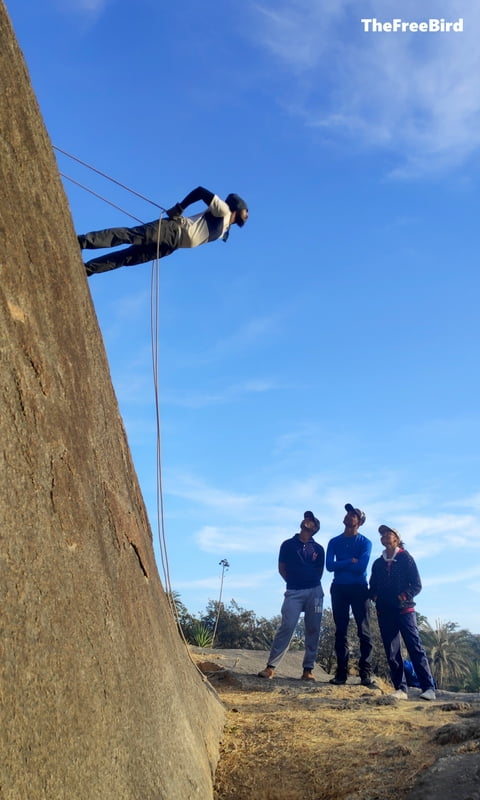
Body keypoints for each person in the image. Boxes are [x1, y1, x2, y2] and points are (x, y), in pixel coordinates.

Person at [77, 186, 248, 276]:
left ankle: (87, 270)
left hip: (173, 244)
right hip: (173, 230)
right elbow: (201, 191)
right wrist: (180, 207)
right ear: (237, 206)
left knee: (128, 258)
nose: (247, 214)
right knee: (131, 236)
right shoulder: (224, 210)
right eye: (246, 211)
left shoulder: (225, 228)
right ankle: (82, 241)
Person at [369, 524, 436, 701]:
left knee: (415, 647)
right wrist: (375, 595)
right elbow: (372, 585)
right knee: (392, 651)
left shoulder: (406, 558)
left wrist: (403, 596)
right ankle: (401, 688)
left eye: (388, 533)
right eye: (382, 534)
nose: (384, 536)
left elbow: (417, 584)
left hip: (405, 610)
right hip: (385, 612)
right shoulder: (377, 563)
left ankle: (428, 687)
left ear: (396, 539)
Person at [258, 511, 325, 681]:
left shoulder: (318, 549)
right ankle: (270, 667)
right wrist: (293, 582)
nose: (306, 521)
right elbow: (281, 568)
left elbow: (319, 571)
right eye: (305, 519)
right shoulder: (287, 544)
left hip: (315, 592)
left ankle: (308, 670)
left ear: (315, 528)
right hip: (293, 592)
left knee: (313, 628)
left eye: (311, 520)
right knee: (287, 626)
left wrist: (309, 583)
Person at [326, 503, 374, 686]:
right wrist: (349, 561)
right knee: (341, 631)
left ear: (359, 522)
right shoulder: (334, 541)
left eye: (353, 515)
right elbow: (329, 566)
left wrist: (344, 564)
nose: (348, 516)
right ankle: (341, 674)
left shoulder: (365, 542)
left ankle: (365, 674)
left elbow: (361, 567)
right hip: (339, 587)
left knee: (364, 631)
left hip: (359, 588)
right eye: (348, 513)